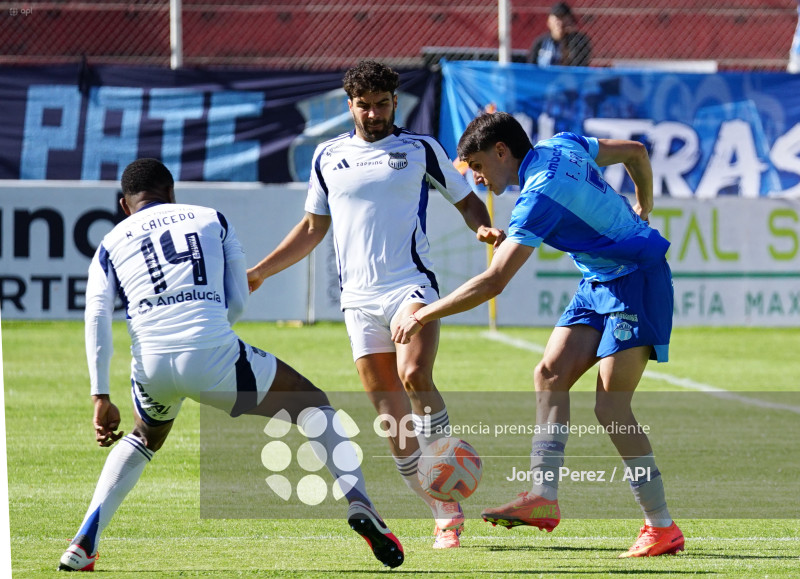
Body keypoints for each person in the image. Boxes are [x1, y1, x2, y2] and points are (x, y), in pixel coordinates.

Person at [58, 159, 404, 571]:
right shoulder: (209, 219)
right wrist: (209, 343)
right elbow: (237, 297)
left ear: (124, 204)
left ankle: (85, 540)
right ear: (171, 192)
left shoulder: (110, 242)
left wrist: (100, 394)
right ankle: (360, 503)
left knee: (145, 436)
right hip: (212, 352)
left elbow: (95, 315)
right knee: (314, 404)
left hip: (149, 365)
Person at [393, 112, 685, 558]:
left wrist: (422, 314)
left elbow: (493, 282)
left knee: (611, 407)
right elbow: (635, 153)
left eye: (478, 166)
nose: (476, 177)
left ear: (501, 152)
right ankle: (542, 496)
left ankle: (661, 525)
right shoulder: (562, 144)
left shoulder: (538, 195)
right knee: (549, 373)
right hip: (598, 281)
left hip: (638, 279)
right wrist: (645, 203)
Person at [247, 60, 504, 549]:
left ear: (394, 103)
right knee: (389, 413)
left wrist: (482, 228)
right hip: (357, 301)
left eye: (382, 105)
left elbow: (466, 200)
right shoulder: (327, 156)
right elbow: (311, 229)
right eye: (363, 106)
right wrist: (260, 271)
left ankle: (443, 463)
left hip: (410, 287)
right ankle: (442, 508)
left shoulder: (419, 148)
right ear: (350, 105)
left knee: (414, 375)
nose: (373, 114)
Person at [529, 2, 592, 67]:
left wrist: (570, 40)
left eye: (563, 18)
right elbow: (531, 66)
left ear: (570, 20)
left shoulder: (579, 41)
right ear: (549, 22)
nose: (559, 22)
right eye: (557, 18)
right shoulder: (541, 42)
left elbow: (579, 66)